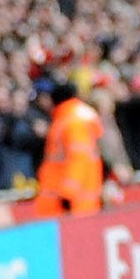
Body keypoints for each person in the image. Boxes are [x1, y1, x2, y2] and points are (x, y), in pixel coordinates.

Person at [34, 83, 105, 217]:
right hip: (80, 200)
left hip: (69, 203)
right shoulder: (77, 117)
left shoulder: (70, 122)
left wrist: (68, 193)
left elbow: (79, 158)